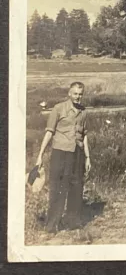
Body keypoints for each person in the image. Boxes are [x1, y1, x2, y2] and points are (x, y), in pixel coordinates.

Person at [35, 81, 91, 233]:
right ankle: (52, 225)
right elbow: (49, 132)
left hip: (77, 154)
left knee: (76, 187)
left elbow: (84, 135)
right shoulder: (58, 109)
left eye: (80, 94)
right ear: (69, 93)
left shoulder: (84, 112)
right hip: (61, 153)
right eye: (75, 94)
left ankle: (72, 222)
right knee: (58, 189)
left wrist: (87, 157)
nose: (78, 97)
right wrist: (40, 155)